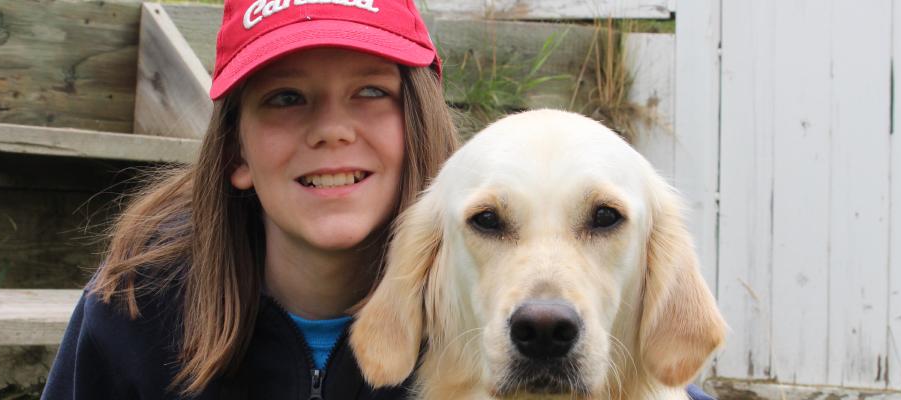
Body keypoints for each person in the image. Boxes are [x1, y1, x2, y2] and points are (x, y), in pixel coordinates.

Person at [41, 0, 717, 398]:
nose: (332, 130)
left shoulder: (468, 303)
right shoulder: (135, 311)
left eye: (370, 92)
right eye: (285, 98)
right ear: (235, 154)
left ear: (417, 124)